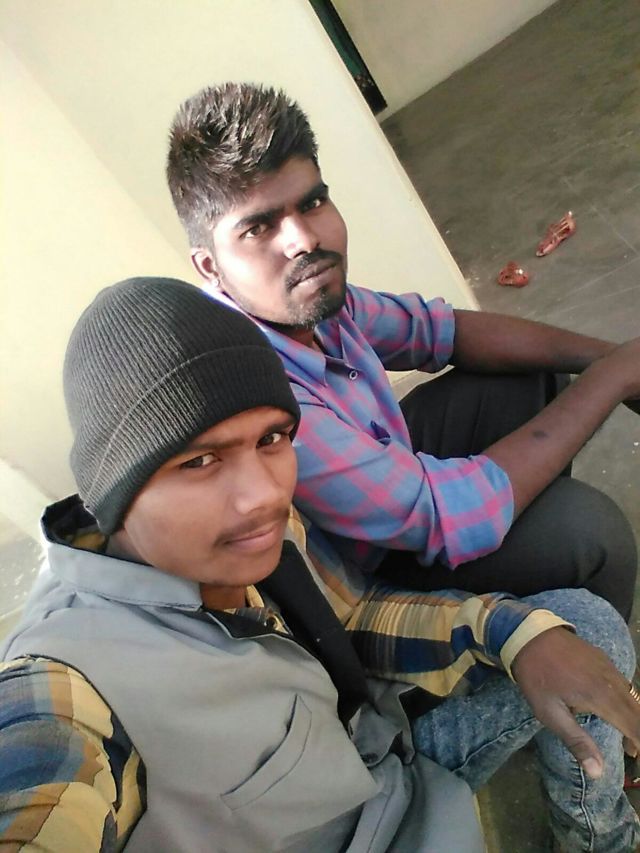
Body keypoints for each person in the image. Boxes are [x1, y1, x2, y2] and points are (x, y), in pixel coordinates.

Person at [1, 277, 640, 852]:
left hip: (390, 768)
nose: (263, 494)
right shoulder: (68, 680)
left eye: (271, 438)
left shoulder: (263, 528)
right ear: (112, 492)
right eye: (198, 461)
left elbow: (353, 614)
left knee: (581, 628)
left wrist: (511, 634)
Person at [165, 82, 639, 623]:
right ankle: (590, 657)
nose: (303, 240)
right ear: (210, 266)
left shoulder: (301, 298)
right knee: (590, 532)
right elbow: (440, 513)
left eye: (313, 203)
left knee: (534, 372)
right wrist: (614, 377)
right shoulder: (254, 396)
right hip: (367, 571)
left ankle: (530, 549)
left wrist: (610, 357)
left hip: (384, 466)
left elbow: (440, 330)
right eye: (258, 227)